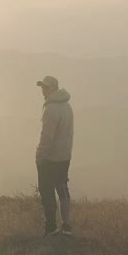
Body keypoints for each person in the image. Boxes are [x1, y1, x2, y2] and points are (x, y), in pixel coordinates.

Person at [35, 75, 74, 236]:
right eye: (42, 87)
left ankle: (50, 227)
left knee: (47, 191)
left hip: (50, 158)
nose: (43, 91)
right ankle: (66, 225)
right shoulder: (67, 107)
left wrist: (39, 156)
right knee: (63, 188)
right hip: (65, 156)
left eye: (45, 87)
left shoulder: (50, 109)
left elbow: (47, 138)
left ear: (53, 88)